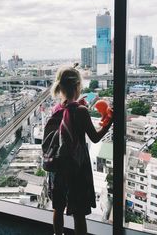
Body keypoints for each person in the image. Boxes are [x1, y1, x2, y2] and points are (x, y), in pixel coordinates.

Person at [48, 66, 113, 235]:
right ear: (78, 87)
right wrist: (109, 121)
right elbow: (95, 137)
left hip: (58, 167)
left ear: (60, 87)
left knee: (58, 207)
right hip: (76, 168)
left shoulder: (57, 109)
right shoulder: (81, 111)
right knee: (78, 213)